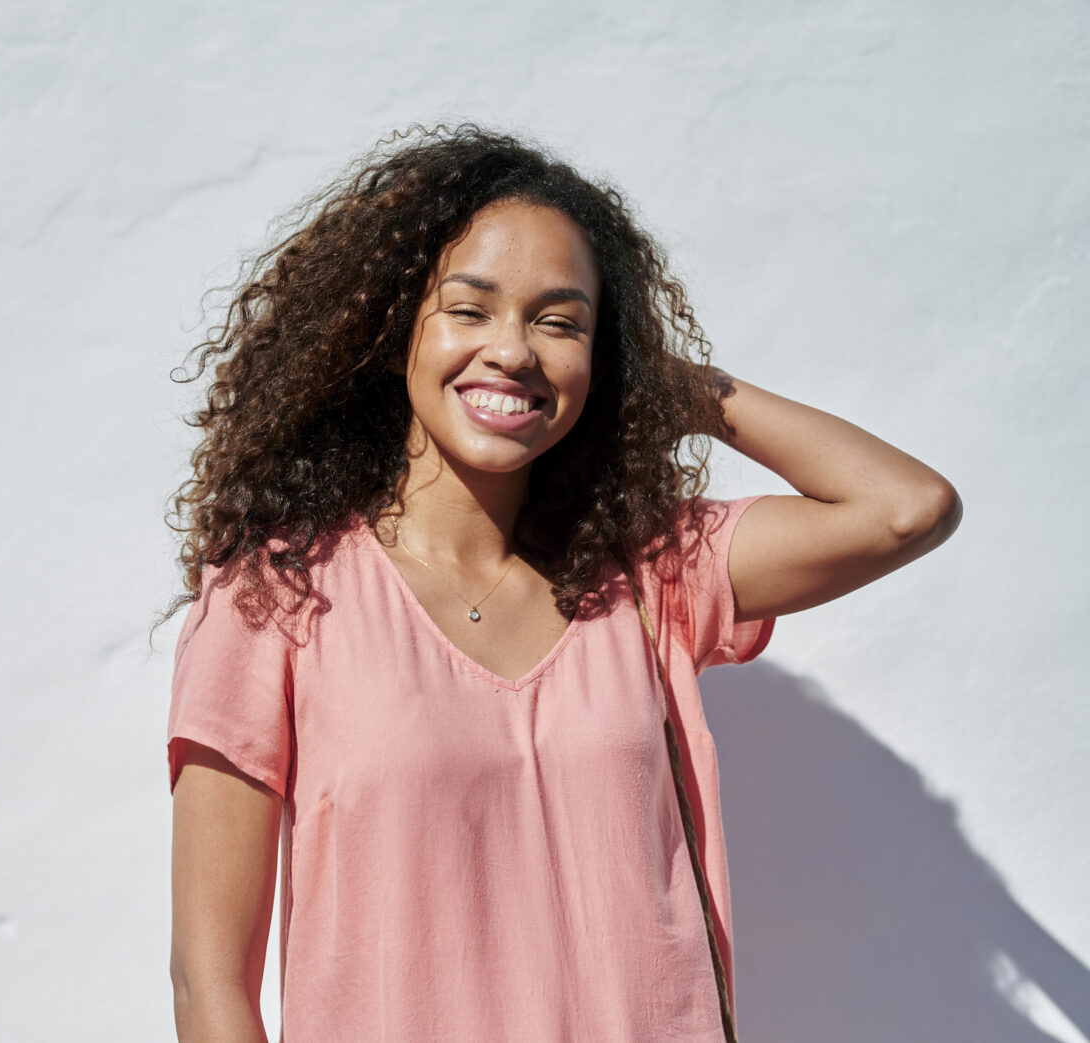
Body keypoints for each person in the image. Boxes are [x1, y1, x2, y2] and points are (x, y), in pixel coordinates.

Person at [158, 124, 960, 1042]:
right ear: (391, 332)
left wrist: (675, 388)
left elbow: (906, 507)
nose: (514, 351)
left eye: (559, 321)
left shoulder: (647, 573)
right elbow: (208, 981)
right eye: (470, 309)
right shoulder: (276, 599)